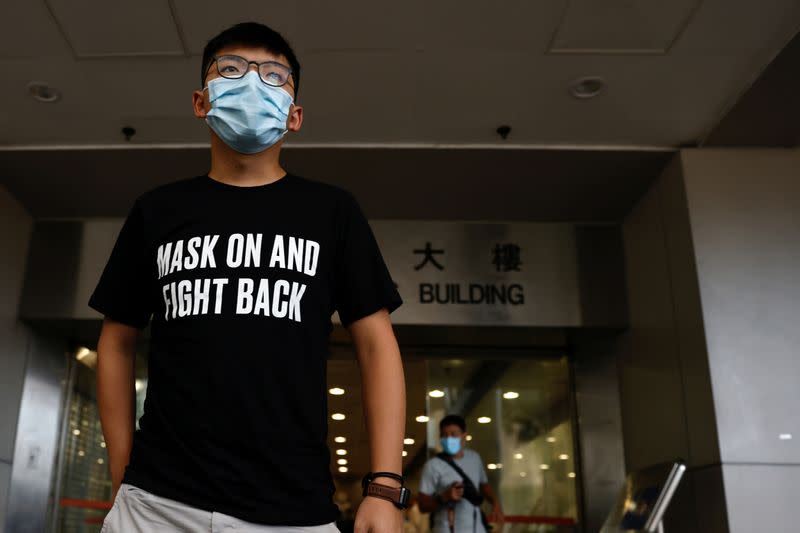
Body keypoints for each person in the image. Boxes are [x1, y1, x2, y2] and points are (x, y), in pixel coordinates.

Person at [91, 21, 407, 533]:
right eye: (232, 70)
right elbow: (118, 338)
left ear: (295, 115)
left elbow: (376, 345)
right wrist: (122, 471)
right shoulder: (158, 211)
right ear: (201, 100)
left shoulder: (332, 212)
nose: (252, 83)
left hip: (293, 513)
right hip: (156, 506)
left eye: (274, 76)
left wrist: (385, 488)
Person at [417, 415, 504, 533]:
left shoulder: (474, 458)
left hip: (477, 528)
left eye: (453, 434)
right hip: (446, 529)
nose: (448, 439)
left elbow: (483, 485)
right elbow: (422, 506)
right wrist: (445, 496)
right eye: (444, 435)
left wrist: (495, 503)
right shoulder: (432, 465)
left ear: (464, 436)